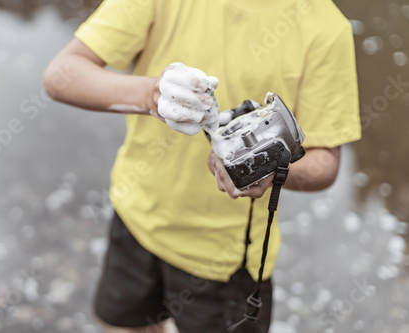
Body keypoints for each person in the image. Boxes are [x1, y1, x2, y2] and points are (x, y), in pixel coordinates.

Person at [43, 0, 361, 332]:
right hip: (136, 219)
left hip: (226, 259)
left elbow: (325, 161)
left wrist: (269, 169)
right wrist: (153, 95)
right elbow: (61, 75)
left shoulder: (326, 28)